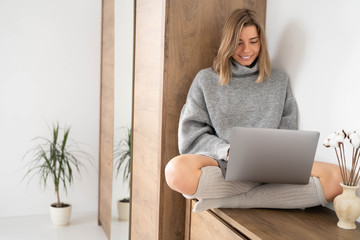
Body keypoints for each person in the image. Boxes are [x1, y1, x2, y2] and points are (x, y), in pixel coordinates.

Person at [164, 8, 343, 213]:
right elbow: (191, 137)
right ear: (228, 43)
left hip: (273, 166)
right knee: (175, 172)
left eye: (253, 41)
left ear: (261, 42)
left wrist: (270, 161)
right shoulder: (205, 80)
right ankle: (264, 193)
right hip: (224, 165)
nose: (246, 49)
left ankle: (228, 199)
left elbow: (288, 132)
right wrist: (228, 151)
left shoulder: (279, 80)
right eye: (238, 42)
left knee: (339, 179)